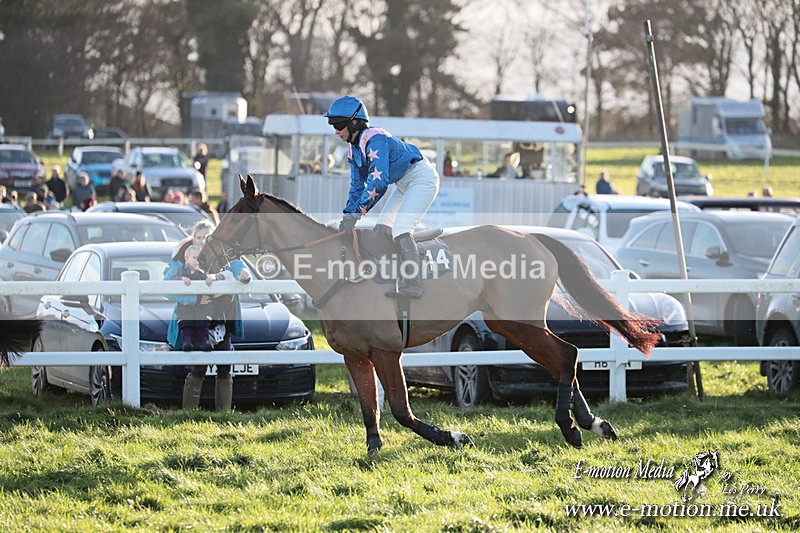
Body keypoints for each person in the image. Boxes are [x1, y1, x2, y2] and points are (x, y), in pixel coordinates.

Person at [325, 95, 439, 299]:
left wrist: (357, 213)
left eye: (339, 124)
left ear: (354, 123)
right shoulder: (354, 150)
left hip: (422, 179)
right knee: (383, 229)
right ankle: (394, 274)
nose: (336, 130)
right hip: (404, 183)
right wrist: (348, 215)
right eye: (332, 124)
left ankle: (414, 283)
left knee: (401, 229)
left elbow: (379, 182)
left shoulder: (375, 139)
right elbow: (356, 186)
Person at [164, 220, 252, 411]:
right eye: (199, 237)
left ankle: (224, 413)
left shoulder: (223, 254)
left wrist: (244, 274)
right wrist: (194, 298)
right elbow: (167, 288)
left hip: (222, 319)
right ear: (193, 239)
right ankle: (189, 412)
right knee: (200, 365)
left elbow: (239, 267)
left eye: (207, 237)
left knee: (224, 363)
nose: (203, 241)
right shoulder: (184, 259)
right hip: (198, 320)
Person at [168, 244, 224, 351]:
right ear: (186, 259)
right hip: (186, 305)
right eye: (194, 258)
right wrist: (181, 279)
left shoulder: (203, 272)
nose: (197, 261)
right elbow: (171, 280)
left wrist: (209, 279)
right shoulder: (181, 270)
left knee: (203, 322)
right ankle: (186, 342)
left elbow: (213, 279)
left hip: (202, 306)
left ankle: (205, 341)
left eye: (199, 258)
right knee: (186, 322)